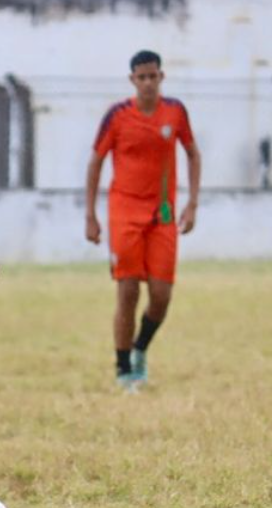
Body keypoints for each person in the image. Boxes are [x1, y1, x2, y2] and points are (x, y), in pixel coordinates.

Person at [85, 50, 201, 390]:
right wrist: (90, 214)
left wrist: (192, 203)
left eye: (154, 76)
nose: (148, 82)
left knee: (162, 295)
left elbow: (193, 153)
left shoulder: (175, 112)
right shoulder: (118, 115)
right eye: (142, 77)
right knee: (128, 290)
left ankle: (139, 349)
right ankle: (124, 370)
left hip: (162, 215)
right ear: (132, 80)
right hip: (124, 212)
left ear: (161, 77)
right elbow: (95, 162)